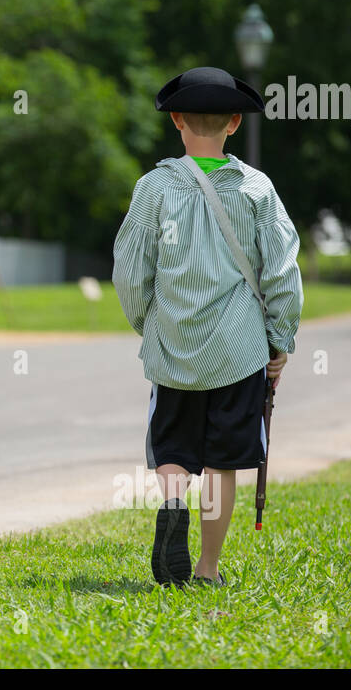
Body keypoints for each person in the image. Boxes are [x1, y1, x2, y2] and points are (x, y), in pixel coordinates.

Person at [112, 67, 303, 587]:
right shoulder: (256, 190)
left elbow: (130, 270)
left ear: (176, 119)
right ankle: (207, 568)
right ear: (235, 124)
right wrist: (278, 342)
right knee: (223, 464)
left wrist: (148, 325)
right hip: (239, 351)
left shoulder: (153, 188)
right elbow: (282, 272)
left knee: (172, 451)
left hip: (174, 348)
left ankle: (172, 509)